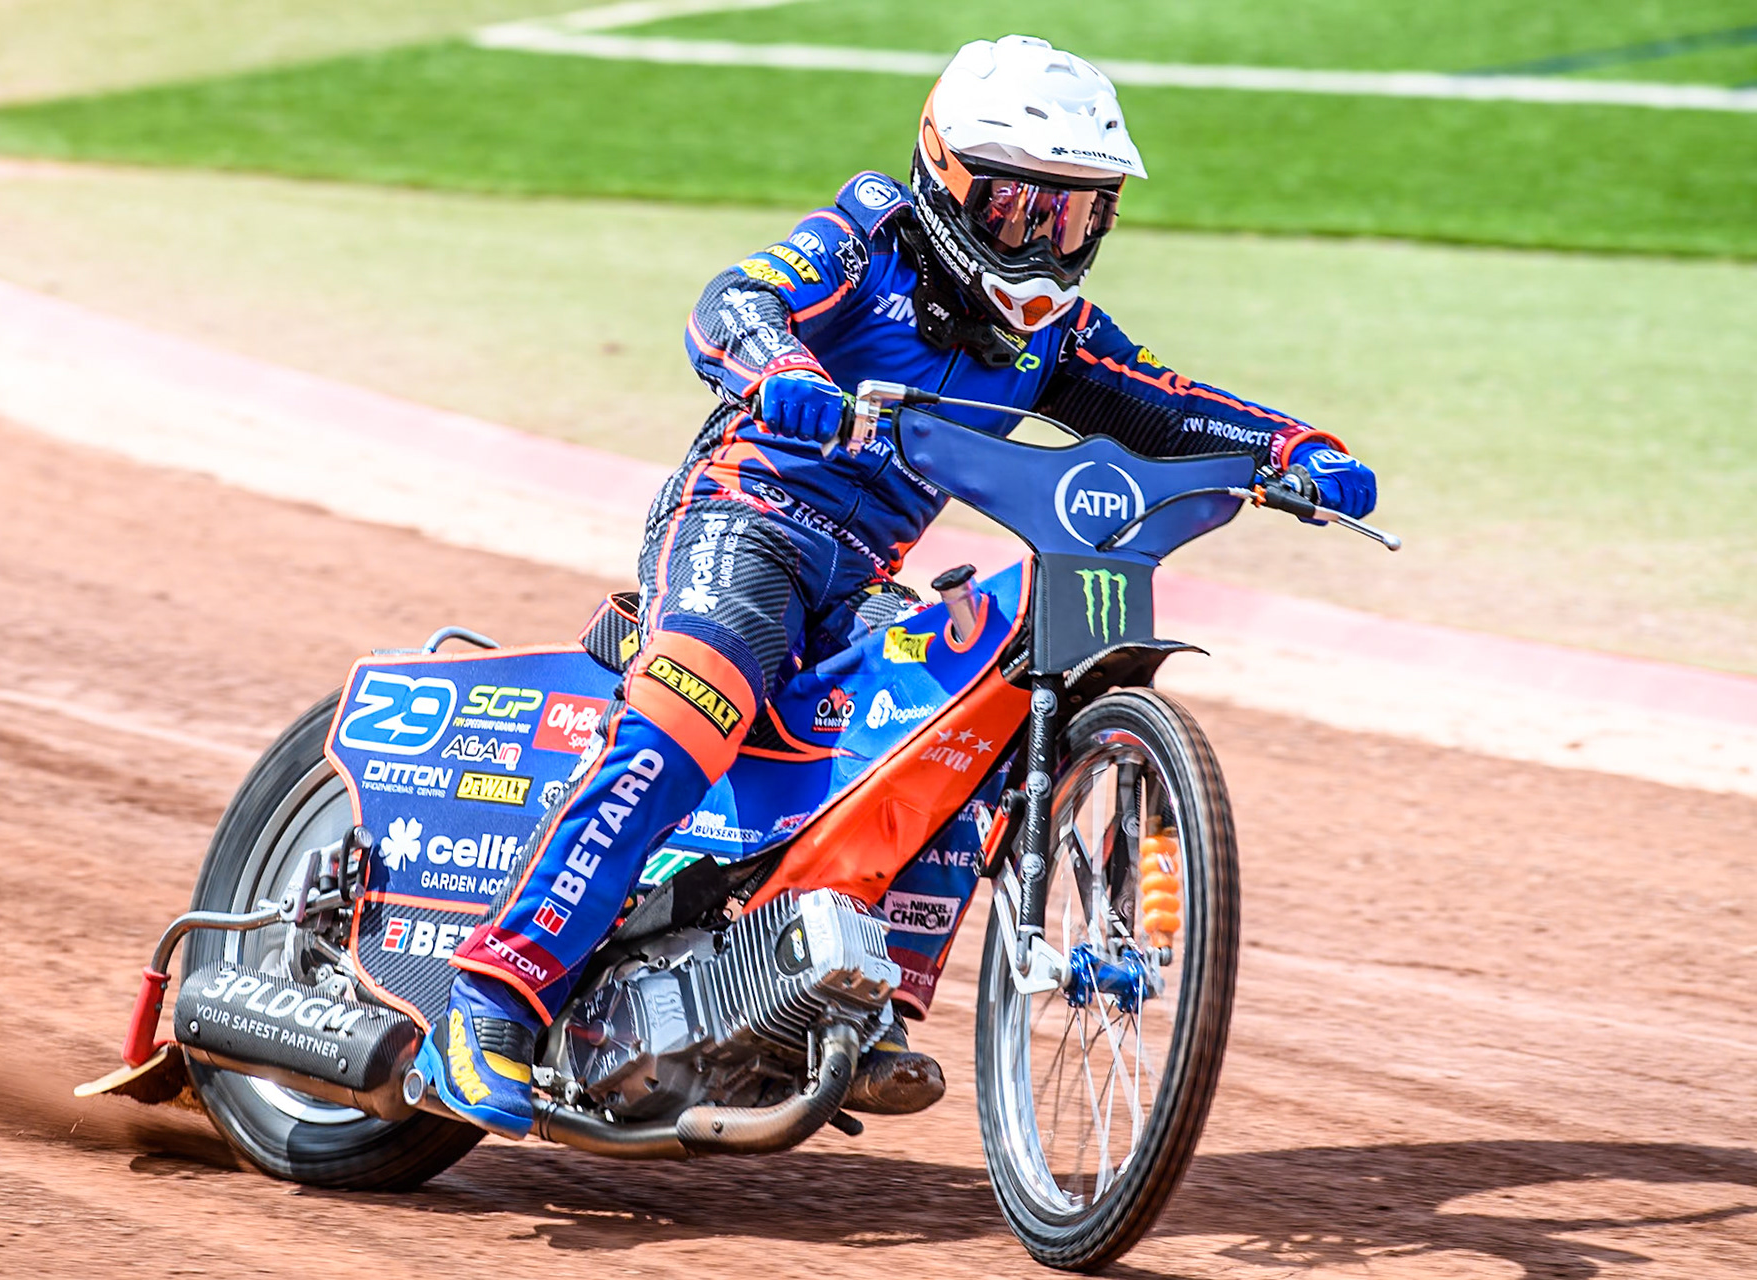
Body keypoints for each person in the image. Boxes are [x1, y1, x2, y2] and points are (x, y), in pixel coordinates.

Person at [414, 35, 1378, 1137]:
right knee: (694, 709)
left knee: (968, 724)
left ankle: (845, 995)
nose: (1045, 242)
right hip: (745, 521)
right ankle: (493, 994)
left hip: (864, 576)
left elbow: (1165, 402)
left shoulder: (1055, 335)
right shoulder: (865, 243)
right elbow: (731, 302)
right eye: (1020, 207)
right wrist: (782, 369)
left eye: (1076, 216)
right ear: (946, 177)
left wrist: (1292, 448)